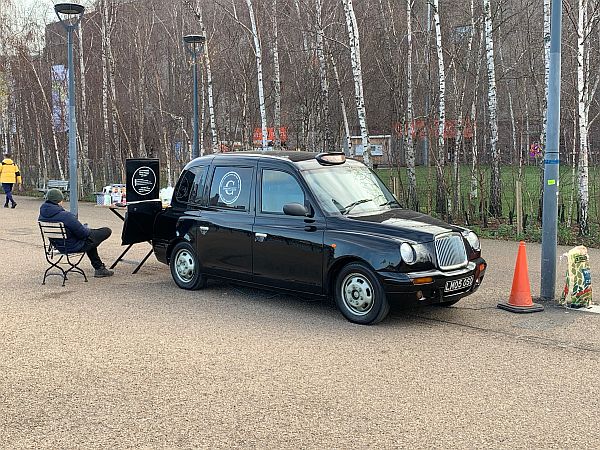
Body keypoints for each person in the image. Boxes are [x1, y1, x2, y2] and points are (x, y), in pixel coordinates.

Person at [38, 188, 114, 278]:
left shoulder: (42, 216)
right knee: (104, 231)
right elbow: (83, 234)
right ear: (59, 200)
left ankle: (99, 268)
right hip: (74, 246)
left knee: (91, 240)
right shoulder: (65, 216)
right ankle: (99, 268)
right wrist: (86, 229)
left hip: (59, 246)